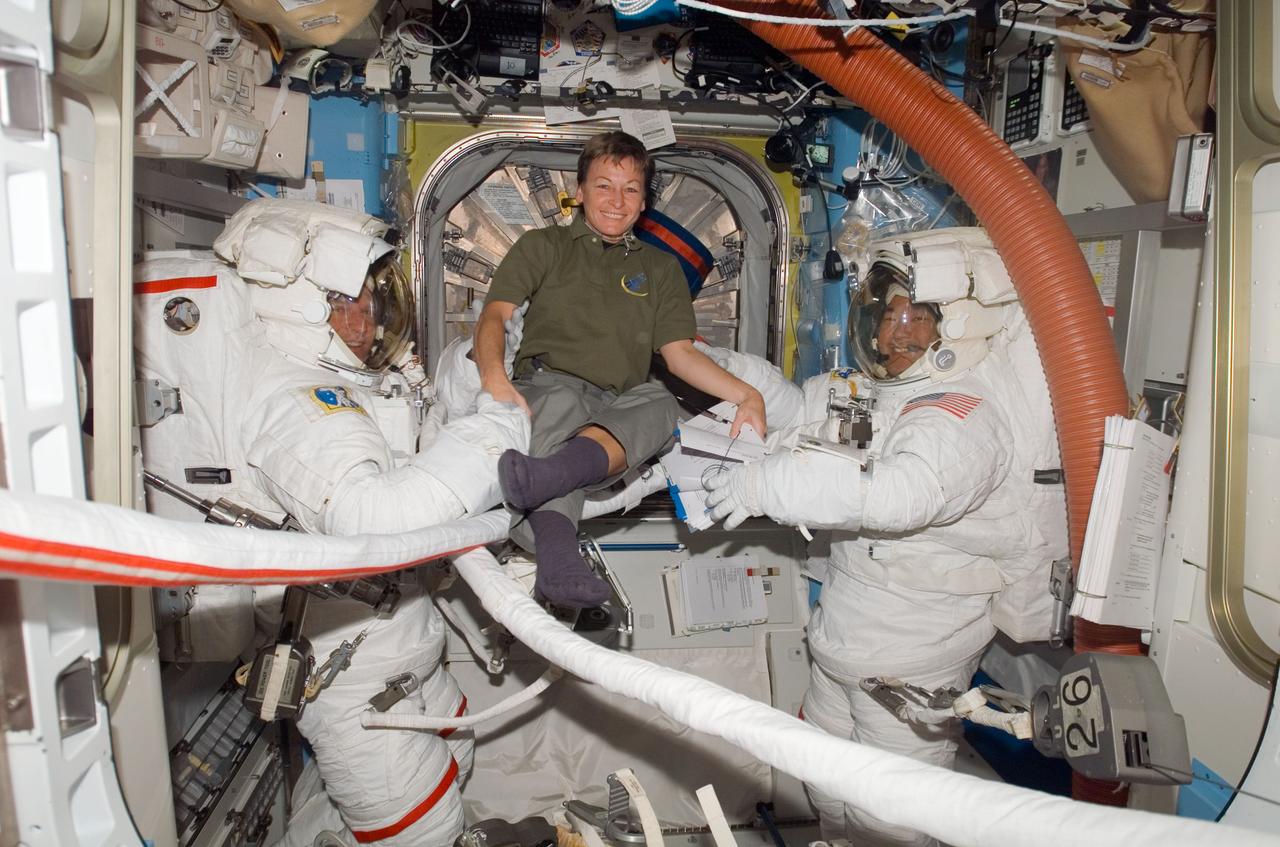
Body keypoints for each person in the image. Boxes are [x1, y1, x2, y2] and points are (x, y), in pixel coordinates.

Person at [134, 198, 530, 847]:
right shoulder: (296, 403)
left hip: (401, 650)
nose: (365, 318)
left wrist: (478, 376)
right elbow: (371, 517)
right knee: (421, 833)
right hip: (354, 679)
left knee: (452, 767)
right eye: (345, 301)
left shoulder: (348, 384)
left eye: (372, 300)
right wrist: (501, 432)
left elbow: (421, 453)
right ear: (297, 305)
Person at [702, 228, 1067, 847]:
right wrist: (724, 367)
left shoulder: (962, 413)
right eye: (890, 314)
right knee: (823, 775)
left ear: (955, 330)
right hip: (842, 642)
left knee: (888, 815)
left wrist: (762, 486)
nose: (899, 332)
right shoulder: (873, 392)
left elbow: (900, 495)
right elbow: (797, 412)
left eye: (919, 318)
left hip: (911, 659)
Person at [473, 131, 767, 608]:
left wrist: (748, 395)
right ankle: (558, 554)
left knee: (660, 402)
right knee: (562, 402)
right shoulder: (543, 245)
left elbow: (680, 355)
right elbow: (495, 315)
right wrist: (494, 377)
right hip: (550, 384)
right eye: (604, 186)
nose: (617, 200)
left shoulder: (661, 269)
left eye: (631, 189)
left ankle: (547, 478)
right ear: (580, 190)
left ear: (644, 200)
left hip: (616, 406)